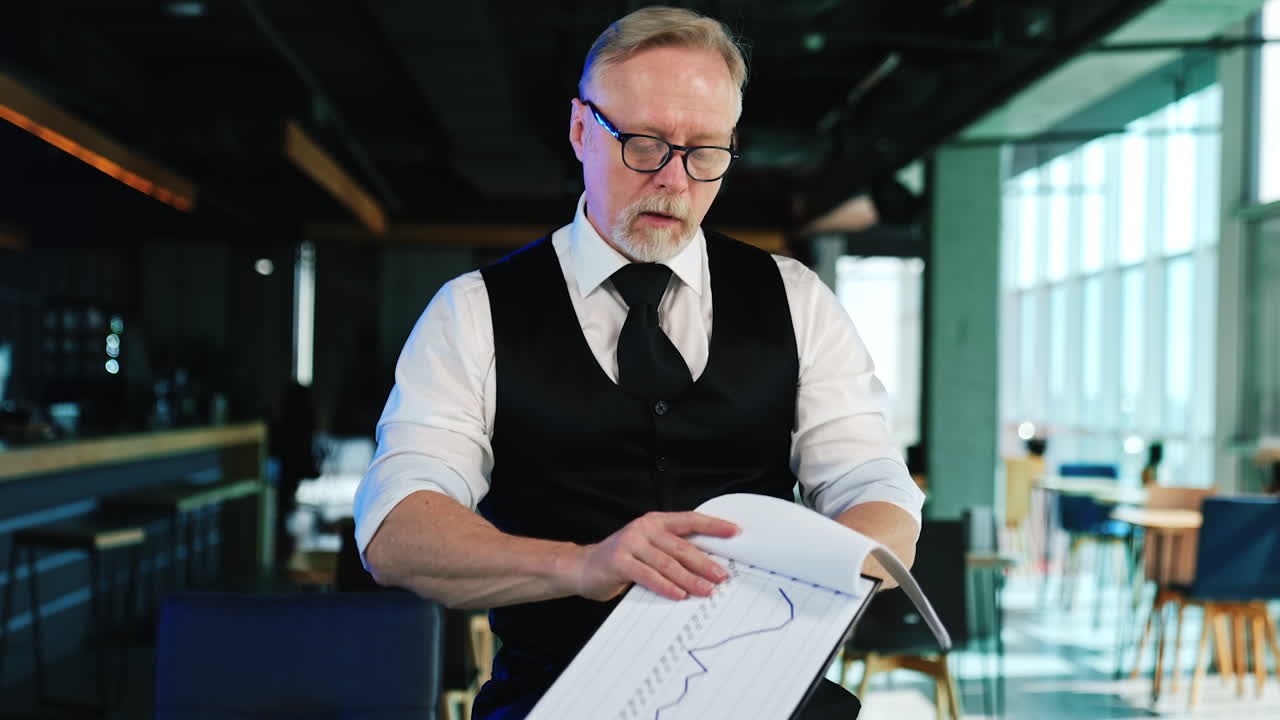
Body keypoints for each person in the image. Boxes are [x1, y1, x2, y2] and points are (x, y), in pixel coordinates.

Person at [354, 7, 924, 719]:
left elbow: (875, 486)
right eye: (645, 144)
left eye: (705, 152)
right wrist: (578, 564)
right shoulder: (472, 313)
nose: (675, 181)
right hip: (554, 702)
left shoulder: (797, 300)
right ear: (580, 129)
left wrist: (824, 564)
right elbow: (395, 530)